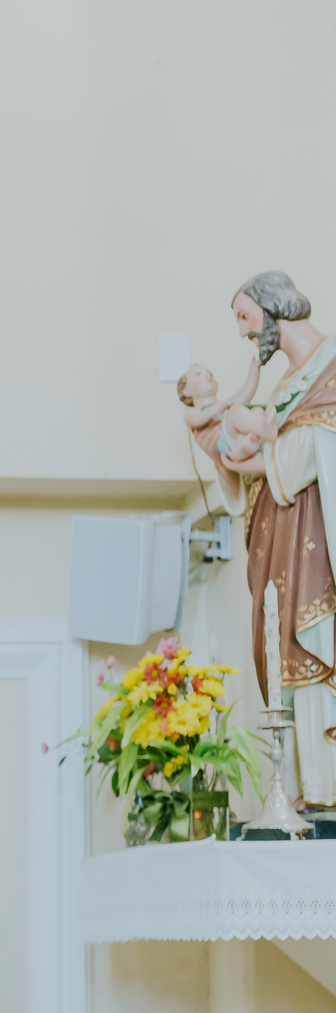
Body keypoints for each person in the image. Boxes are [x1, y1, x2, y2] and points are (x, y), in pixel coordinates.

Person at [200, 272, 336, 804]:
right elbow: (262, 461)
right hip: (281, 540)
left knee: (316, 639)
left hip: (318, 543)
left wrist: (264, 460)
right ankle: (307, 786)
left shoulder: (330, 368)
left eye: (244, 316)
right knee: (280, 647)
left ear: (273, 307)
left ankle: (325, 783)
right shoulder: (283, 387)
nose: (241, 331)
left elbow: (315, 449)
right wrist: (224, 452)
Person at [178, 355, 274, 460]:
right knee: (235, 410)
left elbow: (247, 390)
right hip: (225, 444)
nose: (207, 376)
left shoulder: (223, 405)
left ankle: (252, 441)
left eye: (210, 374)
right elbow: (194, 419)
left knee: (257, 411)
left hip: (237, 439)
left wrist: (255, 368)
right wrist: (212, 410)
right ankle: (262, 434)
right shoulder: (193, 412)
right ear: (186, 390)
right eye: (198, 374)